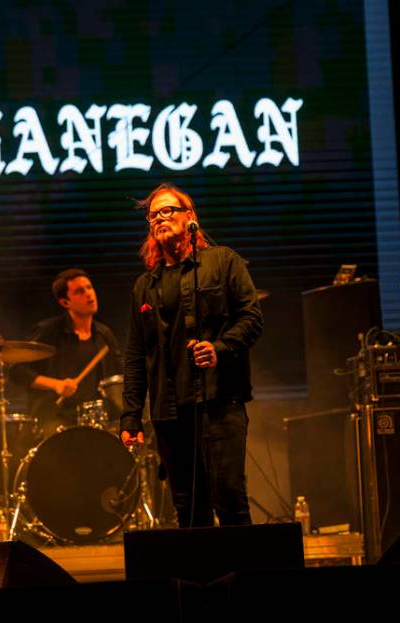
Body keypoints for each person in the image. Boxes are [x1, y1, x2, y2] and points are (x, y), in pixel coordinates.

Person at [121, 183, 263, 528]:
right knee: (188, 509)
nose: (159, 218)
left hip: (219, 403)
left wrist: (219, 349)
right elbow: (137, 354)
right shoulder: (145, 286)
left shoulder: (223, 262)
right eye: (153, 214)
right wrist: (130, 416)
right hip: (170, 414)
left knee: (229, 497)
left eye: (168, 210)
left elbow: (252, 318)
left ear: (191, 218)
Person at [10, 268, 121, 439]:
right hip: (56, 420)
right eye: (79, 291)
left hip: (99, 420)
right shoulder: (49, 331)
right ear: (65, 302)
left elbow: (119, 376)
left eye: (89, 287)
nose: (88, 294)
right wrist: (56, 385)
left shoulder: (104, 335)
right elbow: (18, 370)